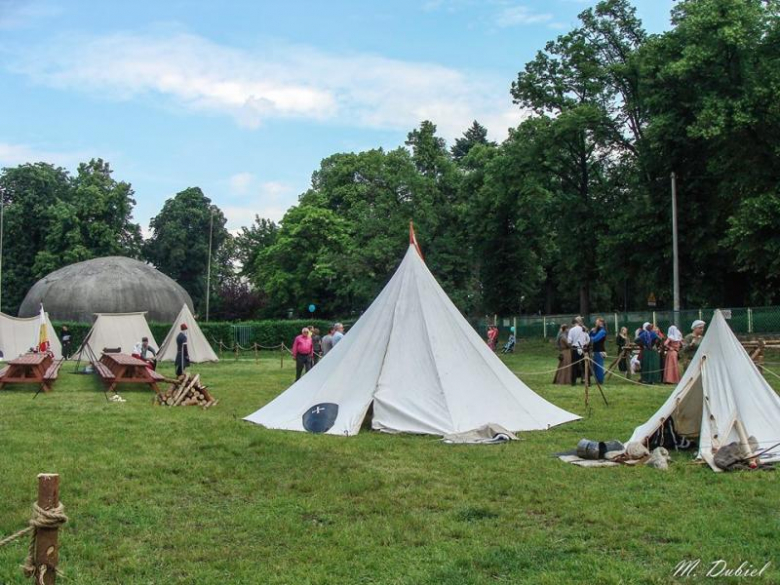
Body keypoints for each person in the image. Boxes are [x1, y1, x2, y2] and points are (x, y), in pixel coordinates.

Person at [567, 316, 590, 385]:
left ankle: (573, 382)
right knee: (585, 365)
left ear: (575, 322)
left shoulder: (572, 330)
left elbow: (569, 341)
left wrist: (571, 345)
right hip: (583, 348)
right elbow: (588, 340)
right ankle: (587, 381)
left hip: (575, 348)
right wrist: (584, 343)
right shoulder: (584, 329)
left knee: (574, 366)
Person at [590, 318, 607, 384]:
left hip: (600, 351)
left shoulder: (602, 331)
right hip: (595, 350)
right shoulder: (597, 330)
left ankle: (600, 381)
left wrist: (589, 338)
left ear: (600, 323)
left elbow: (595, 339)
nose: (595, 323)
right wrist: (591, 332)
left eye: (597, 322)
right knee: (595, 367)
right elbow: (591, 336)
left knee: (599, 367)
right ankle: (597, 380)